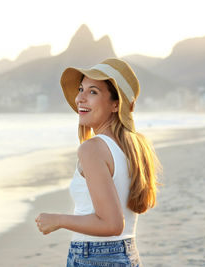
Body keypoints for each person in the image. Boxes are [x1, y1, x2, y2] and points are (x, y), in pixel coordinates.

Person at [35, 58, 161, 266]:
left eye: (93, 92)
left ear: (115, 104)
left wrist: (58, 220)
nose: (79, 99)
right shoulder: (134, 146)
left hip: (95, 256)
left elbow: (112, 224)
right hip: (128, 254)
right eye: (81, 89)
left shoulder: (92, 148)